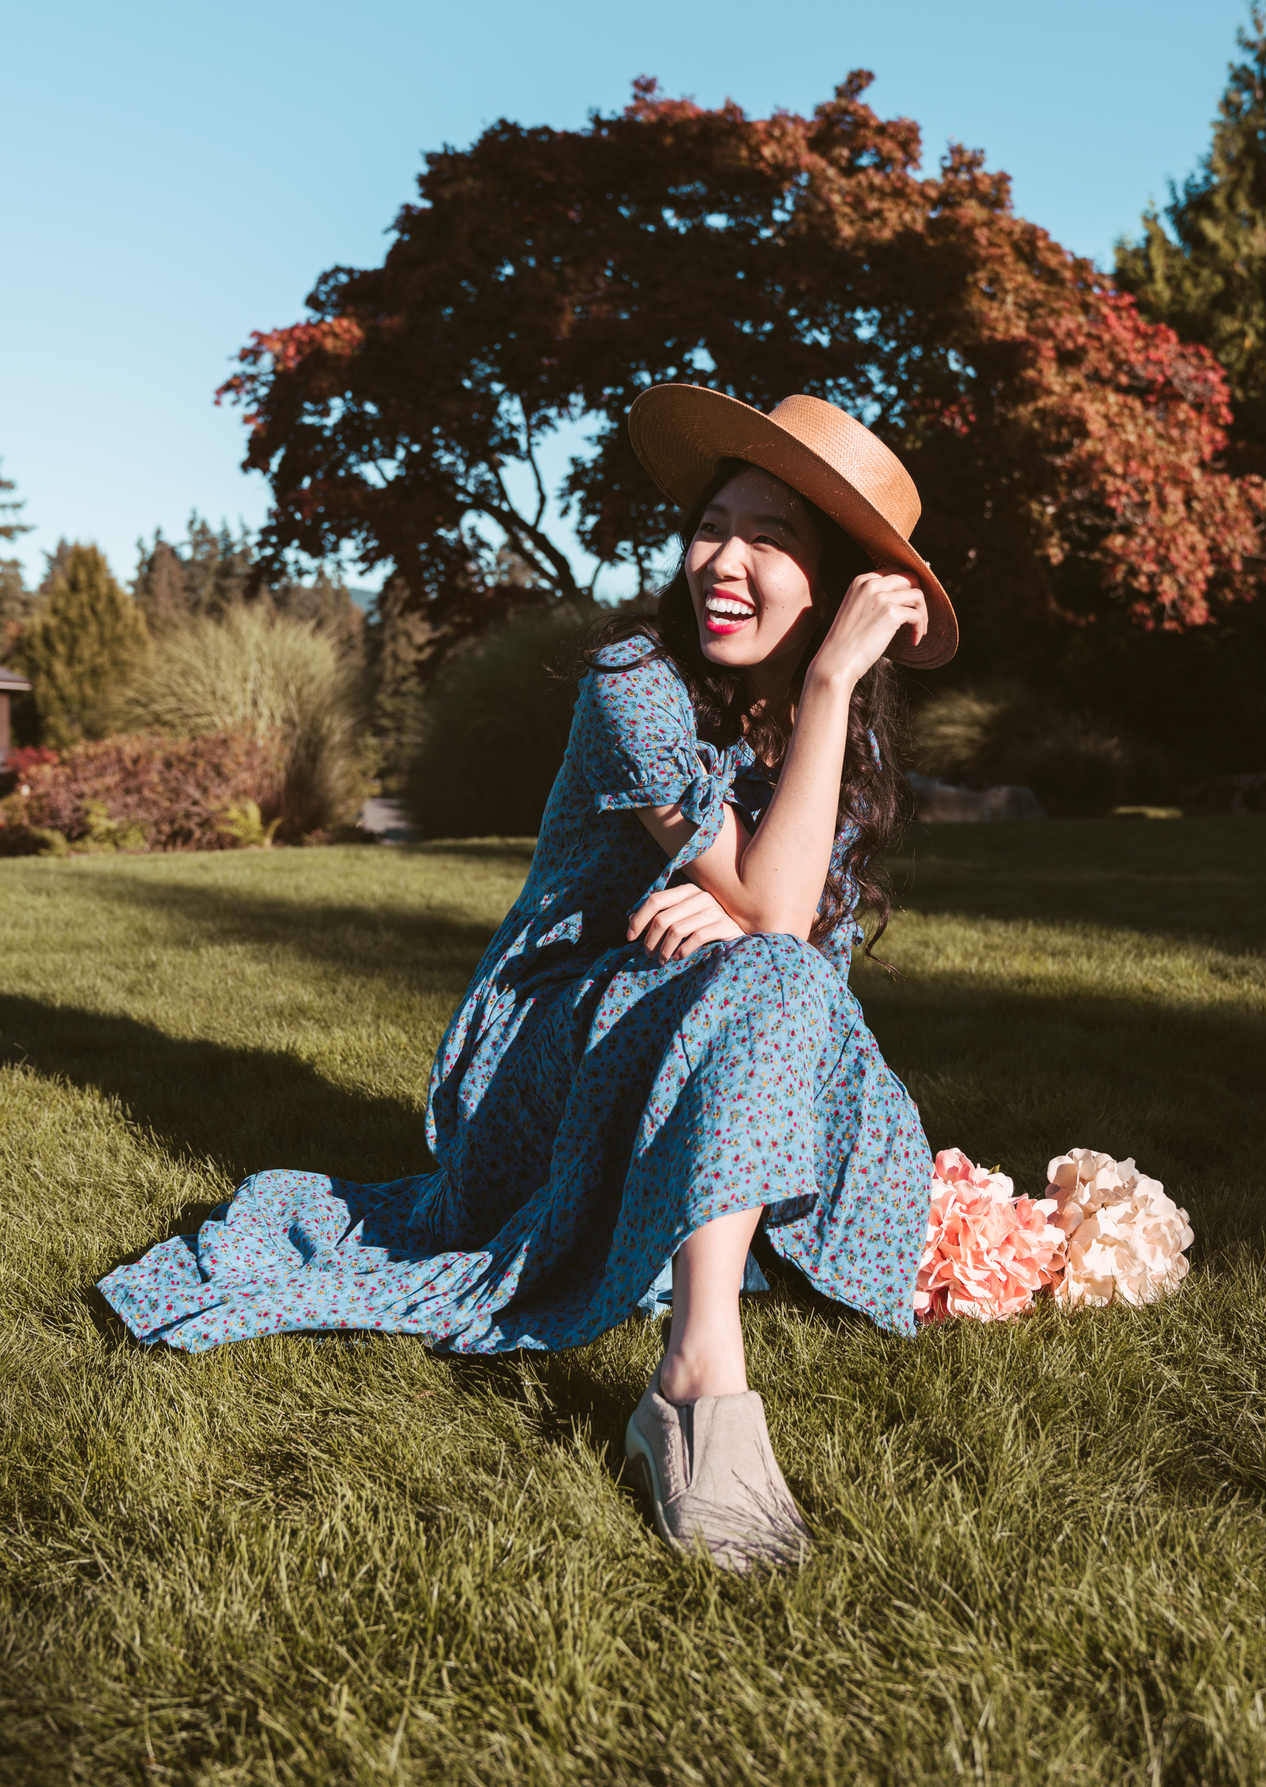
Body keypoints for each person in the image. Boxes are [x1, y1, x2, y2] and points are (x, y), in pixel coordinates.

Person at [99, 385, 960, 1572]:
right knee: (770, 963)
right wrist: (816, 720)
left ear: (835, 594)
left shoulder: (835, 755)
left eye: (774, 539)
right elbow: (778, 918)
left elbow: (796, 956)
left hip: (708, 1049)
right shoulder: (632, 685)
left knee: (774, 976)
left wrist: (815, 729)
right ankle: (700, 1383)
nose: (725, 558)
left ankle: (693, 1314)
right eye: (718, 522)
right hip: (549, 1071)